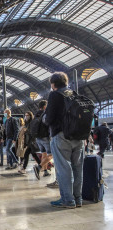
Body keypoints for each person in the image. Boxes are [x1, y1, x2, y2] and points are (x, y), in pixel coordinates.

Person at [45, 72, 84, 208]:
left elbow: (49, 118)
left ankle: (67, 200)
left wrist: (45, 119)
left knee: (64, 169)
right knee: (77, 168)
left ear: (53, 84)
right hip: (78, 136)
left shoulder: (54, 94)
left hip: (61, 135)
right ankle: (78, 199)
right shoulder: (74, 94)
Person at [32, 101, 53, 179]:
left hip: (38, 138)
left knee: (44, 154)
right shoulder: (45, 114)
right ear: (44, 106)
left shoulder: (36, 114)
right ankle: (39, 167)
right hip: (45, 137)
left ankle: (45, 172)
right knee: (51, 154)